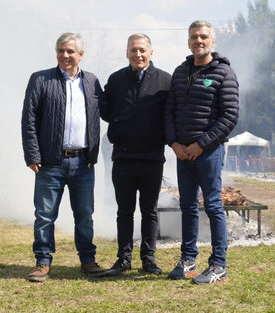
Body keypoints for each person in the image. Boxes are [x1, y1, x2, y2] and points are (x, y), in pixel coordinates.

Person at [21, 32, 106, 282]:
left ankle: (88, 260)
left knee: (84, 214)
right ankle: (43, 262)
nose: (65, 55)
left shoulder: (91, 81)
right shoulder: (40, 79)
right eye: (61, 50)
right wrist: (32, 155)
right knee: (45, 215)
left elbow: (107, 111)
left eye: (70, 51)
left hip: (83, 163)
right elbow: (29, 120)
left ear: (81, 55)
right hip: (50, 162)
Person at [164, 20, 239, 284]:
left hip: (209, 153)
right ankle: (188, 260)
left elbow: (229, 117)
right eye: (194, 37)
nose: (199, 41)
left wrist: (201, 145)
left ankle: (219, 265)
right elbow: (169, 112)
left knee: (214, 206)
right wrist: (174, 144)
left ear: (212, 41)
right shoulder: (180, 72)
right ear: (188, 41)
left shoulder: (223, 73)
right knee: (187, 207)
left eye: (203, 37)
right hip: (182, 154)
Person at [101, 34, 171, 276]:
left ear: (151, 53)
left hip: (152, 157)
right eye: (133, 50)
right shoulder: (116, 79)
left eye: (142, 50)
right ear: (127, 53)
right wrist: (121, 123)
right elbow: (105, 108)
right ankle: (123, 258)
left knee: (149, 211)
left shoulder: (165, 80)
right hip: (123, 157)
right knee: (124, 211)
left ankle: (148, 259)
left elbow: (169, 115)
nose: (138, 55)